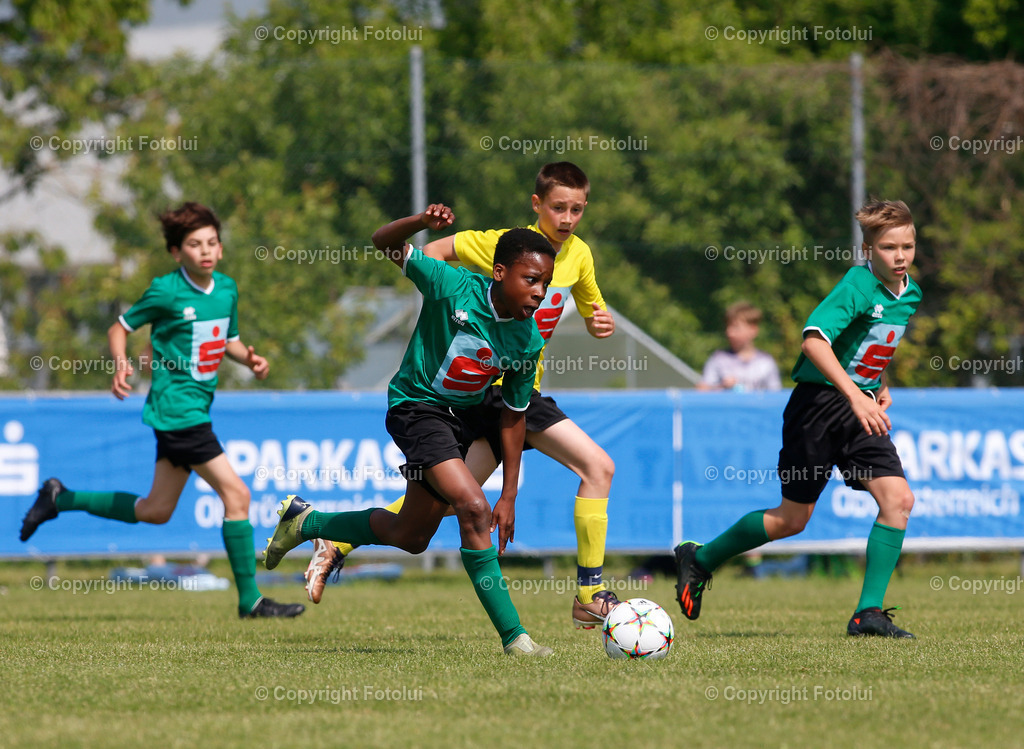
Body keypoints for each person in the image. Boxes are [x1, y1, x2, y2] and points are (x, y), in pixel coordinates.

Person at [304, 162, 621, 630]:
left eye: (576, 209)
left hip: (520, 391)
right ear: (537, 205)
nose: (568, 217)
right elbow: (432, 251)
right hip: (483, 392)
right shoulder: (501, 242)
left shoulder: (579, 256)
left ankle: (333, 538)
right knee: (470, 499)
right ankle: (575, 604)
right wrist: (443, 308)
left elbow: (596, 309)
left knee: (445, 507)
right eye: (558, 207)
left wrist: (600, 323)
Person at [263, 204, 557, 656]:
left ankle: (307, 522)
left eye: (546, 283)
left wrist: (511, 493)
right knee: (473, 508)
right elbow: (383, 242)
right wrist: (420, 223)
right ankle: (515, 638)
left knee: (412, 537)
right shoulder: (451, 284)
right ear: (499, 273)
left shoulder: (527, 340)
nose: (539, 292)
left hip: (459, 419)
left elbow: (514, 417)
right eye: (530, 280)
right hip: (415, 409)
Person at [18, 202, 305, 620]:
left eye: (211, 242)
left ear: (221, 249)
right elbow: (120, 327)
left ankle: (60, 498)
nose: (205, 250)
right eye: (194, 244)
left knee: (156, 511)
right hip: (177, 413)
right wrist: (120, 363)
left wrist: (250, 360)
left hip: (194, 411)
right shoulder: (166, 290)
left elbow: (227, 340)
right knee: (237, 495)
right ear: (176, 252)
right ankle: (250, 602)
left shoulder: (226, 289)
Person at [673, 199, 922, 638]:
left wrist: (877, 383)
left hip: (859, 408)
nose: (899, 256)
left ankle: (869, 614)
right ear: (869, 251)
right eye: (888, 247)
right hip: (819, 408)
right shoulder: (857, 285)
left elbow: (868, 342)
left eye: (907, 245)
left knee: (899, 500)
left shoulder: (910, 293)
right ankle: (701, 558)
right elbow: (814, 341)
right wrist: (855, 395)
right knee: (792, 519)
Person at [697, 301, 781, 391]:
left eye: (736, 327)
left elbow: (775, 394)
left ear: (753, 330)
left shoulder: (766, 362)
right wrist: (722, 387)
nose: (729, 332)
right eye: (728, 327)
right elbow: (701, 389)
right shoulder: (718, 359)